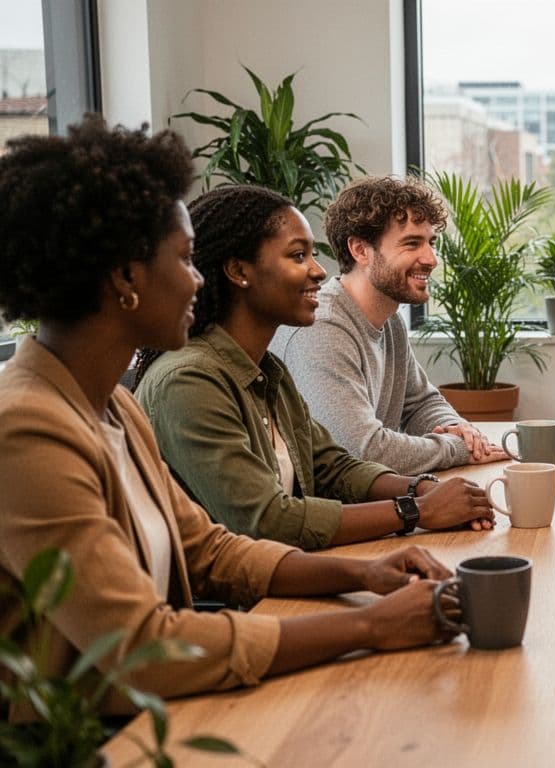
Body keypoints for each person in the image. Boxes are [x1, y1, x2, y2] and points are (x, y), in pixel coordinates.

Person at [0, 117, 465, 713]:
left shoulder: (111, 406)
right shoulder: (28, 430)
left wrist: (365, 576)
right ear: (125, 278)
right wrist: (371, 626)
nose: (199, 279)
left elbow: (211, 551)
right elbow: (140, 646)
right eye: (186, 259)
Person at [134, 185, 495, 551]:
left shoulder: (266, 370)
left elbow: (332, 466)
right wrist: (416, 510)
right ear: (239, 270)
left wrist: (427, 489)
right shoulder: (189, 381)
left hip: (279, 574)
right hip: (236, 601)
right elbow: (268, 521)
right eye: (298, 256)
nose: (319, 271)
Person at [270, 176, 507, 474]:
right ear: (360, 250)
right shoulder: (322, 327)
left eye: (431, 242)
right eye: (412, 243)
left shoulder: (390, 321)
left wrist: (456, 427)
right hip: (328, 513)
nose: (431, 258)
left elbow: (420, 402)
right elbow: (362, 450)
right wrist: (457, 449)